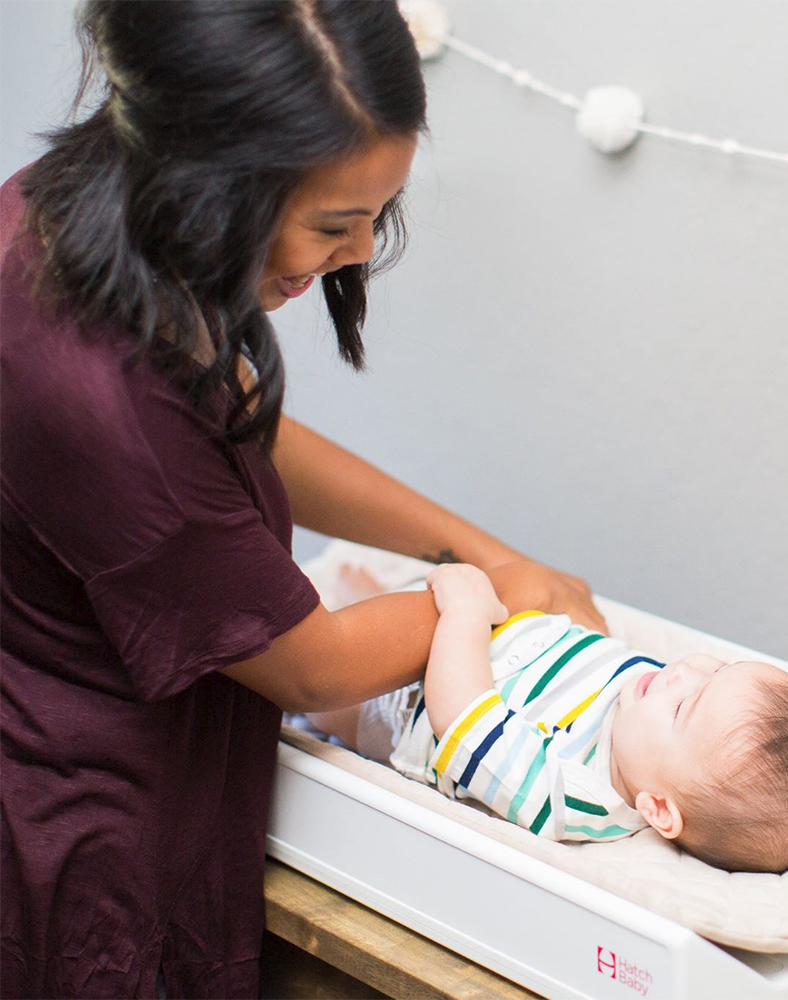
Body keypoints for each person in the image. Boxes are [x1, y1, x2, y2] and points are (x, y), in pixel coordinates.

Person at [0, 3, 603, 996]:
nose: (361, 251)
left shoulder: (88, 208)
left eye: (378, 213)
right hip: (99, 850)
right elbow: (314, 666)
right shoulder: (98, 394)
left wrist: (480, 551)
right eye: (334, 223)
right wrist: (484, 605)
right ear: (211, 175)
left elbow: (239, 432)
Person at [311, 565, 788, 874]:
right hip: (499, 638)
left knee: (324, 686)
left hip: (408, 703)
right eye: (716, 669)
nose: (683, 673)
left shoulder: (574, 796)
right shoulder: (648, 707)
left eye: (684, 705)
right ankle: (372, 600)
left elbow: (460, 716)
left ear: (659, 809)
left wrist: (467, 615)